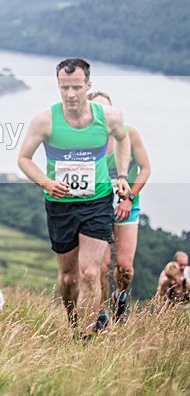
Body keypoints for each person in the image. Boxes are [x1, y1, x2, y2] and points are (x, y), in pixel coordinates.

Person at [18, 58, 131, 338]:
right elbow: (23, 159)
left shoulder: (109, 117)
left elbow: (123, 138)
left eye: (77, 87)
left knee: (91, 273)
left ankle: (86, 335)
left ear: (88, 86)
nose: (70, 94)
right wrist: (46, 182)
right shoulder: (45, 120)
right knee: (69, 278)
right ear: (58, 85)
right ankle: (72, 324)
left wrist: (122, 175)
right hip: (60, 204)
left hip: (97, 200)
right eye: (64, 87)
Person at [88, 91, 151, 325]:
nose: (102, 115)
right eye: (96, 110)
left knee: (124, 268)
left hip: (127, 204)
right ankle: (102, 313)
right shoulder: (87, 140)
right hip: (100, 206)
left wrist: (129, 198)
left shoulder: (129, 135)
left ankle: (120, 297)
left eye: (106, 110)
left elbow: (145, 169)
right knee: (101, 266)